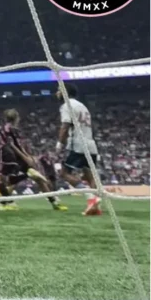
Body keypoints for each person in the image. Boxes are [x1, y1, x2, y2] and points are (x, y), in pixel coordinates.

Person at [3, 108, 65, 210]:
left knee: (15, 182)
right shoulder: (12, 130)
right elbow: (14, 146)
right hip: (16, 159)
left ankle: (54, 202)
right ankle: (4, 202)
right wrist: (26, 157)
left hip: (14, 159)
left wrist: (27, 156)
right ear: (16, 118)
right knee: (14, 183)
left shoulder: (6, 129)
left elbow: (17, 146)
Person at [56, 85, 101, 216]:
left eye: (58, 90)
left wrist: (60, 143)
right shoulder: (83, 106)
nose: (56, 93)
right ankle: (95, 206)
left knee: (64, 173)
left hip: (78, 144)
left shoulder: (66, 106)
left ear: (64, 92)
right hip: (90, 143)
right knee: (89, 175)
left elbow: (65, 125)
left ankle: (90, 198)